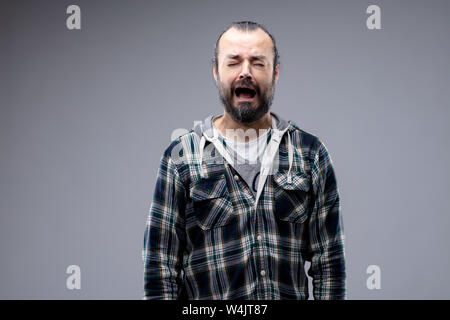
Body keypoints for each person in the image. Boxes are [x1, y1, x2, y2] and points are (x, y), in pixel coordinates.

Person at [142, 21, 346, 300]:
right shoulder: (182, 157)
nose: (245, 72)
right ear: (216, 72)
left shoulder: (310, 153)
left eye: (258, 63)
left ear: (275, 74)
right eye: (234, 62)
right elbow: (160, 269)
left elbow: (329, 264)